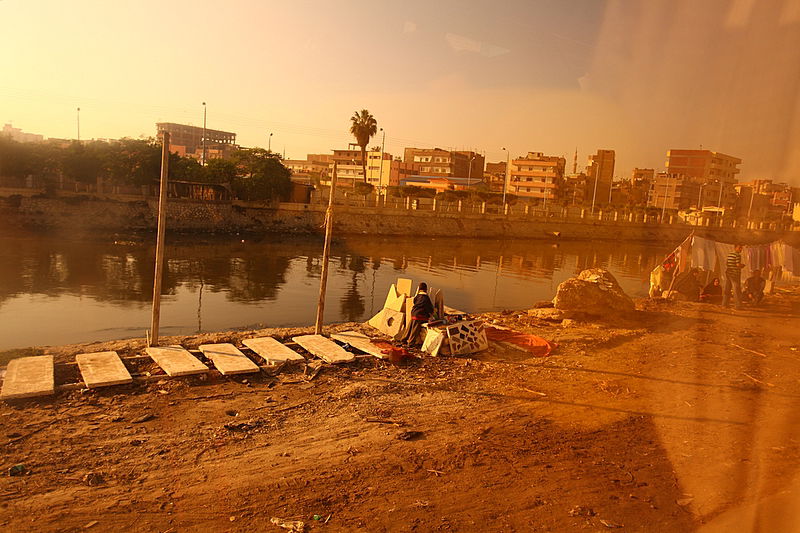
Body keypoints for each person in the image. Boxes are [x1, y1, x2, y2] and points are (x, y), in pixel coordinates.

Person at [400, 282, 434, 347]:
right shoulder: (426, 298)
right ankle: (410, 343)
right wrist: (431, 314)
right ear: (426, 289)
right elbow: (429, 308)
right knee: (415, 330)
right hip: (420, 315)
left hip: (413, 313)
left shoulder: (417, 296)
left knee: (409, 328)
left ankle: (403, 339)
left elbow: (414, 302)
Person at [722, 244, 745, 309]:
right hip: (735, 274)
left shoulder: (729, 254)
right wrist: (742, 265)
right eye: (739, 248)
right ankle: (738, 306)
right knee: (736, 290)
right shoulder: (737, 255)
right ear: (735, 248)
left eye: (741, 248)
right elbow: (738, 264)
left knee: (727, 289)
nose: (741, 249)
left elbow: (727, 263)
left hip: (729, 273)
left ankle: (724, 304)